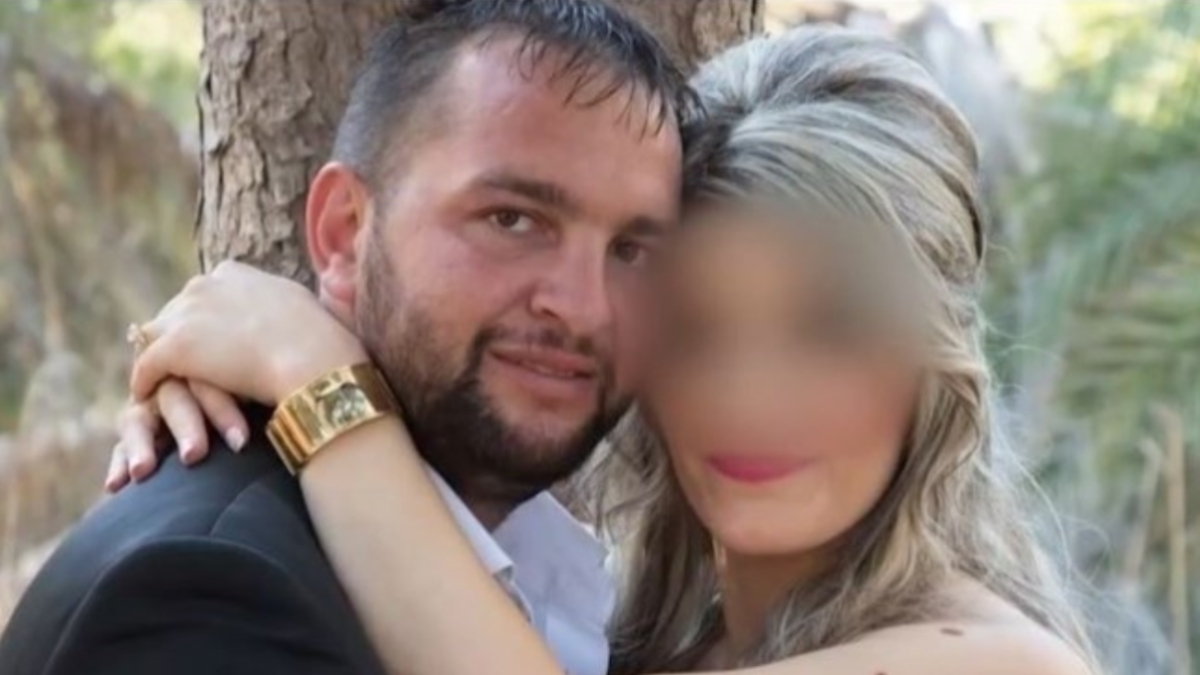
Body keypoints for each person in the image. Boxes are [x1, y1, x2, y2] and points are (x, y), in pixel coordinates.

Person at [100, 26, 1101, 675]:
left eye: (828, 331)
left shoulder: (997, 663)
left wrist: (314, 382)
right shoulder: (622, 631)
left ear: (931, 356)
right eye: (696, 330)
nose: (749, 397)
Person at [0, 2, 688, 674]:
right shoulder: (208, 593)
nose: (584, 309)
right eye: (513, 219)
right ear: (344, 232)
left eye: (633, 252)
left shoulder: (564, 581)